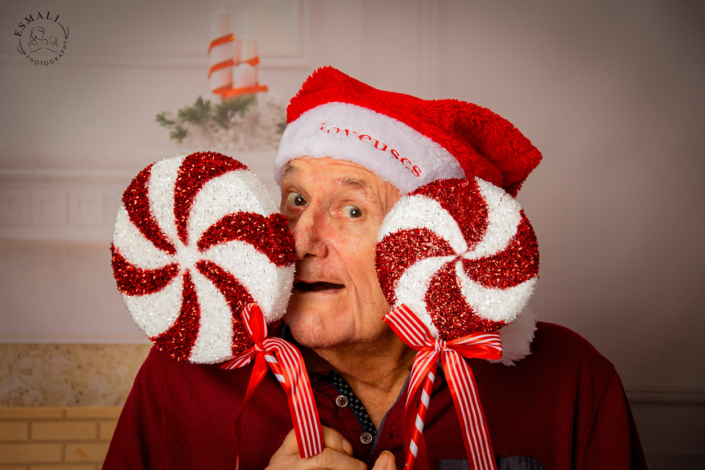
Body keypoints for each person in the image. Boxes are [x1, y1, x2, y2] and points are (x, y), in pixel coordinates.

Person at [104, 67, 648, 470]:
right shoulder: (185, 377)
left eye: (353, 209)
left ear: (430, 241)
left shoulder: (568, 381)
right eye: (294, 199)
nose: (299, 240)